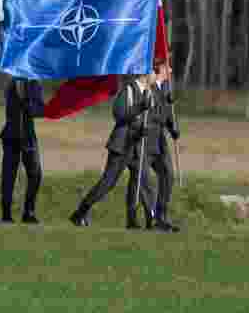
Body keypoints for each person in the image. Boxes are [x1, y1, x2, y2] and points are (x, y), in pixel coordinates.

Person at [69, 72, 157, 229]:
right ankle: (80, 212)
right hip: (122, 146)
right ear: (145, 74)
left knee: (145, 182)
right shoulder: (128, 90)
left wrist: (144, 129)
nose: (156, 76)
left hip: (136, 145)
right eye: (154, 72)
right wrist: (140, 107)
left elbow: (143, 119)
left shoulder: (148, 93)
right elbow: (119, 114)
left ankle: (151, 220)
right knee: (107, 184)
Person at [0, 76, 45, 224]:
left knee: (35, 174)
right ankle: (6, 214)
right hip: (12, 134)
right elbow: (11, 109)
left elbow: (39, 109)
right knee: (9, 176)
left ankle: (29, 212)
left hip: (28, 135)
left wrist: (31, 105)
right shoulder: (13, 83)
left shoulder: (35, 83)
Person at [144, 62, 180, 232]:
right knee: (141, 180)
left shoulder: (164, 89)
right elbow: (151, 114)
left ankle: (161, 216)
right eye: (168, 67)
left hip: (160, 141)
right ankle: (145, 217)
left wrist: (172, 127)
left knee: (168, 175)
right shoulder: (149, 88)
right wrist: (165, 103)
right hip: (146, 140)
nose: (171, 70)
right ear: (160, 69)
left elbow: (164, 115)